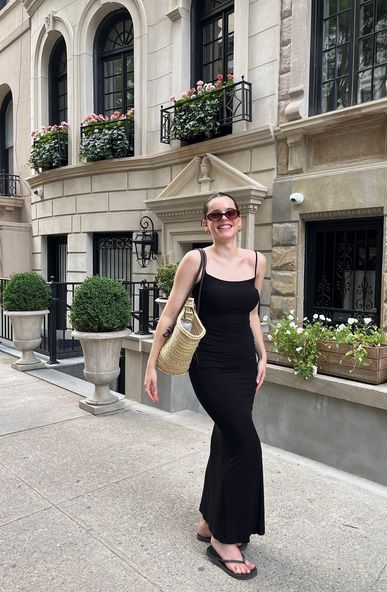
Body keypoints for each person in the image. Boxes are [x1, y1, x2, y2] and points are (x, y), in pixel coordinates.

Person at [144, 192, 267, 580]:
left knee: (227, 441)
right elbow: (170, 311)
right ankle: (224, 539)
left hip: (244, 364)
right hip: (209, 365)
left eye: (230, 212)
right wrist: (151, 363)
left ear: (240, 220)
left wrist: (263, 356)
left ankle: (208, 522)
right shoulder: (196, 260)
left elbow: (252, 312)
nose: (224, 219)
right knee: (246, 445)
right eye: (215, 215)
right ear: (206, 224)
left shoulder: (256, 261)